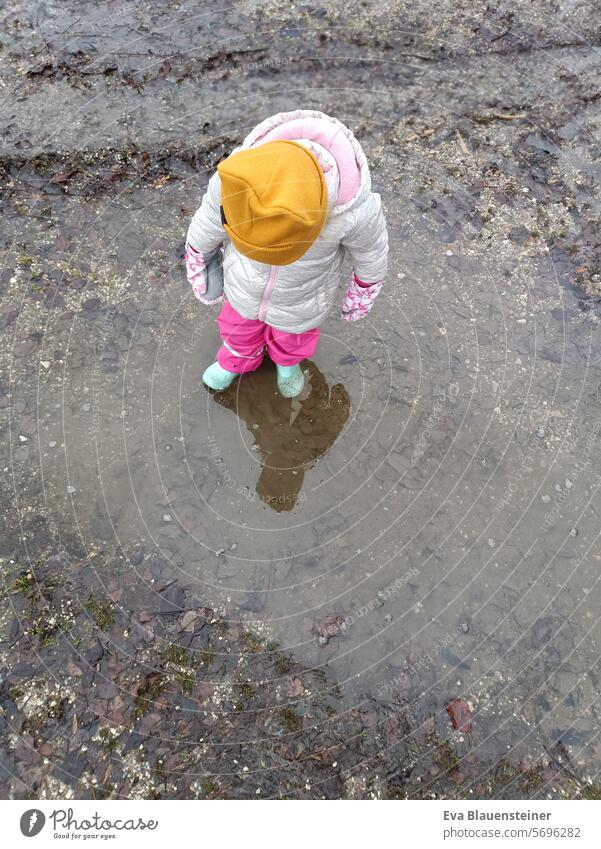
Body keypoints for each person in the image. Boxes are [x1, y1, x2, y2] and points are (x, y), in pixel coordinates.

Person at [185, 109, 389, 397]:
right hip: (244, 283)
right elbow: (208, 219)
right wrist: (200, 257)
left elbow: (372, 253)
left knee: (293, 337)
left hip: (302, 296)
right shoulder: (236, 177)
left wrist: (363, 291)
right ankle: (235, 359)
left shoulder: (353, 211)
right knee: (236, 327)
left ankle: (286, 363)